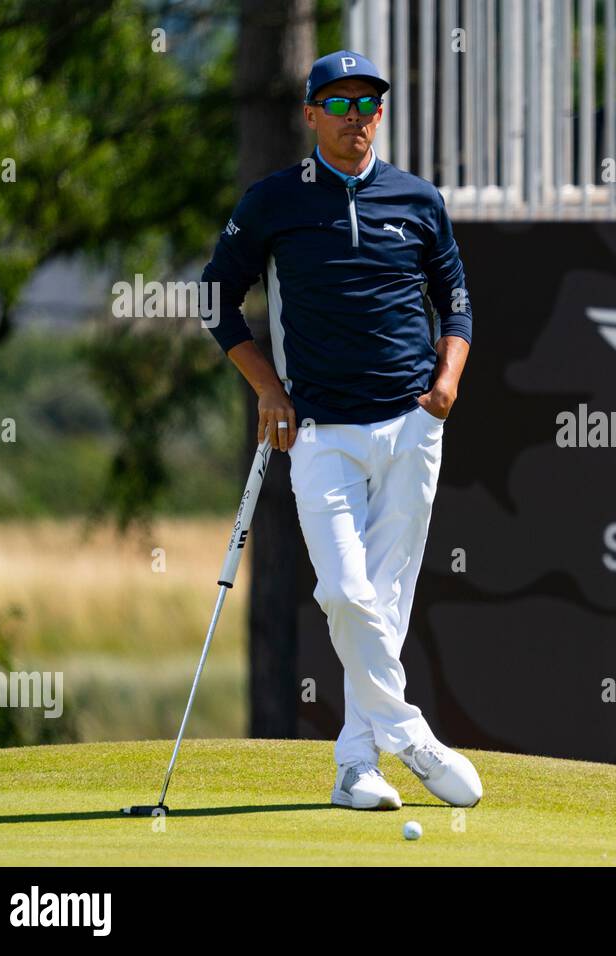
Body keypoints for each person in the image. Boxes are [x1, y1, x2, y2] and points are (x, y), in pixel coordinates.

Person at [199, 50, 482, 810]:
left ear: (379, 116)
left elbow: (455, 301)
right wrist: (267, 388)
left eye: (369, 106)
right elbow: (215, 299)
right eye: (342, 104)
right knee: (346, 593)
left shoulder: (418, 200)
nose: (357, 119)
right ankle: (410, 736)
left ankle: (357, 768)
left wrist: (447, 382)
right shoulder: (275, 201)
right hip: (320, 431)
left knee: (385, 603)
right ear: (312, 112)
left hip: (412, 426)